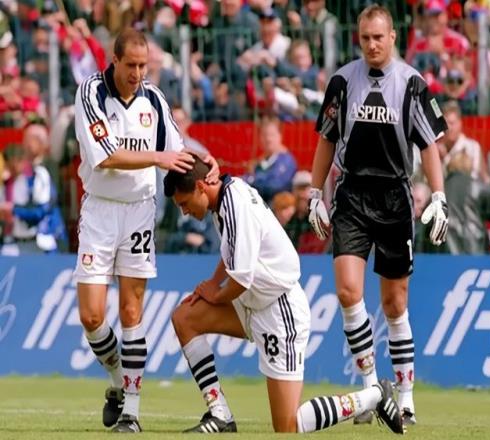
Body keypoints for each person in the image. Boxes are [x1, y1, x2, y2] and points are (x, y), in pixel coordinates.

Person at [164, 155, 405, 435]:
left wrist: (215, 295)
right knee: (185, 318)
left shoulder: (236, 205)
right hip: (253, 303)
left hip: (280, 311)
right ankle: (220, 414)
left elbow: (241, 279)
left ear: (200, 187)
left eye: (184, 203)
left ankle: (375, 395)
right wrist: (213, 282)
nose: (184, 212)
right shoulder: (225, 197)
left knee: (288, 426)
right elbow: (232, 250)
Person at [308, 4, 448, 427]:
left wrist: (438, 196)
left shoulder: (411, 83)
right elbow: (326, 139)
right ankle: (371, 391)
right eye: (365, 38)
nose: (371, 44)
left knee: (394, 303)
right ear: (359, 39)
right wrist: (315, 193)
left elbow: (429, 145)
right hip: (352, 194)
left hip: (394, 199)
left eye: (378, 37)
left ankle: (405, 398)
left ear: (392, 38)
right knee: (348, 292)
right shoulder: (342, 81)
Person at [72, 28, 218, 433]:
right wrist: (159, 158)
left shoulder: (153, 98)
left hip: (139, 210)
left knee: (132, 312)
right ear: (115, 60)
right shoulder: (91, 93)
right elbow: (105, 157)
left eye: (144, 66)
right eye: (131, 65)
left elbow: (176, 149)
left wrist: (204, 159)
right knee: (91, 315)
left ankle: (132, 413)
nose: (138, 74)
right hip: (100, 210)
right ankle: (118, 381)